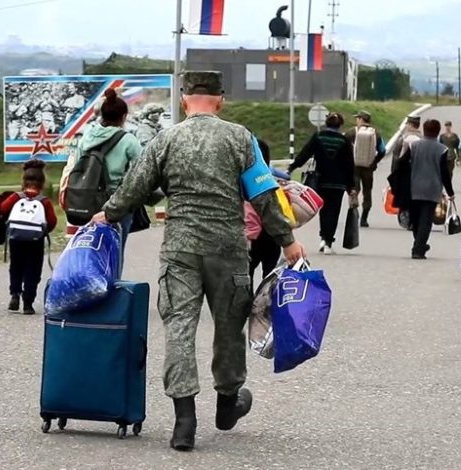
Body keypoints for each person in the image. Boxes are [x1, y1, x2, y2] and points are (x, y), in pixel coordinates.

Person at [91, 71, 305, 452]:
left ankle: (184, 422)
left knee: (180, 328)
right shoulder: (241, 138)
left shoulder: (166, 139)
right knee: (228, 329)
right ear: (220, 100)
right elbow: (263, 193)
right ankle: (227, 405)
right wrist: (287, 240)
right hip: (228, 249)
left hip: (181, 250)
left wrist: (106, 215)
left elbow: (134, 188)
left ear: (184, 100)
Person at [59, 89, 142, 251]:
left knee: (89, 247)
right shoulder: (129, 141)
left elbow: (77, 165)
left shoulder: (87, 137)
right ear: (124, 117)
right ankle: (110, 277)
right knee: (114, 252)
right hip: (115, 203)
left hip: (88, 200)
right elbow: (140, 172)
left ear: (102, 115)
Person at [289, 112, 356, 254]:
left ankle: (322, 238)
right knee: (333, 211)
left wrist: (292, 168)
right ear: (340, 125)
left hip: (320, 181)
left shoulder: (318, 137)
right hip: (338, 183)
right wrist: (351, 187)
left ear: (326, 123)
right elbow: (349, 166)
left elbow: (304, 154)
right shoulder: (344, 141)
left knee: (323, 210)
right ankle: (328, 242)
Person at [0, 160, 57, 315]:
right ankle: (28, 303)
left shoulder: (16, 197)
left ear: (23, 181)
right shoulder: (44, 201)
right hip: (35, 241)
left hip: (16, 238)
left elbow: (2, 208)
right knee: (33, 270)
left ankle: (15, 294)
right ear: (42, 182)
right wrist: (41, 231)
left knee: (16, 267)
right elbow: (52, 222)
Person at [392, 119, 455, 259]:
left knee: (415, 219)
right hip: (432, 189)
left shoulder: (414, 146)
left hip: (414, 187)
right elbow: (445, 174)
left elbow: (401, 162)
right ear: (438, 131)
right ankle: (419, 248)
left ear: (424, 130)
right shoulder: (442, 149)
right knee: (426, 220)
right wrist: (450, 192)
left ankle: (418, 245)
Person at [244, 138, 283, 287]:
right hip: (272, 233)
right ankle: (266, 306)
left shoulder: (242, 178)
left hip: (250, 235)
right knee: (270, 275)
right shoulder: (274, 177)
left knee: (247, 274)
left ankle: (248, 307)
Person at [345, 110, 386, 227]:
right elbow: (382, 150)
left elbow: (343, 148)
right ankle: (364, 219)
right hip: (368, 168)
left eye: (357, 118)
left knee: (354, 191)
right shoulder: (376, 133)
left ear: (361, 119)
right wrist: (375, 161)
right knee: (367, 192)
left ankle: (353, 215)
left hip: (354, 167)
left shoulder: (351, 132)